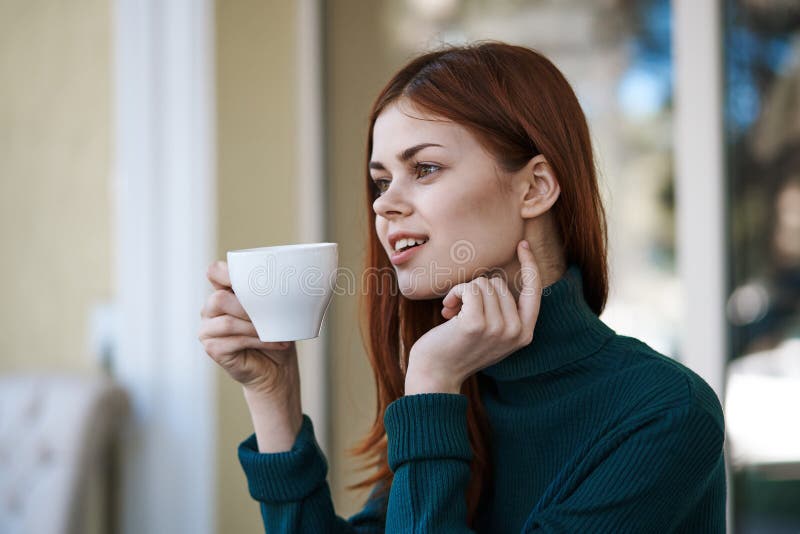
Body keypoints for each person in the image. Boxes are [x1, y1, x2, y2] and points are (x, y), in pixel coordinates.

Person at [198, 41, 727, 533]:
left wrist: (430, 384)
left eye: (424, 168)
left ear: (535, 187)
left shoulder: (666, 415)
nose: (383, 205)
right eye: (381, 181)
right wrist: (273, 397)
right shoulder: (459, 382)